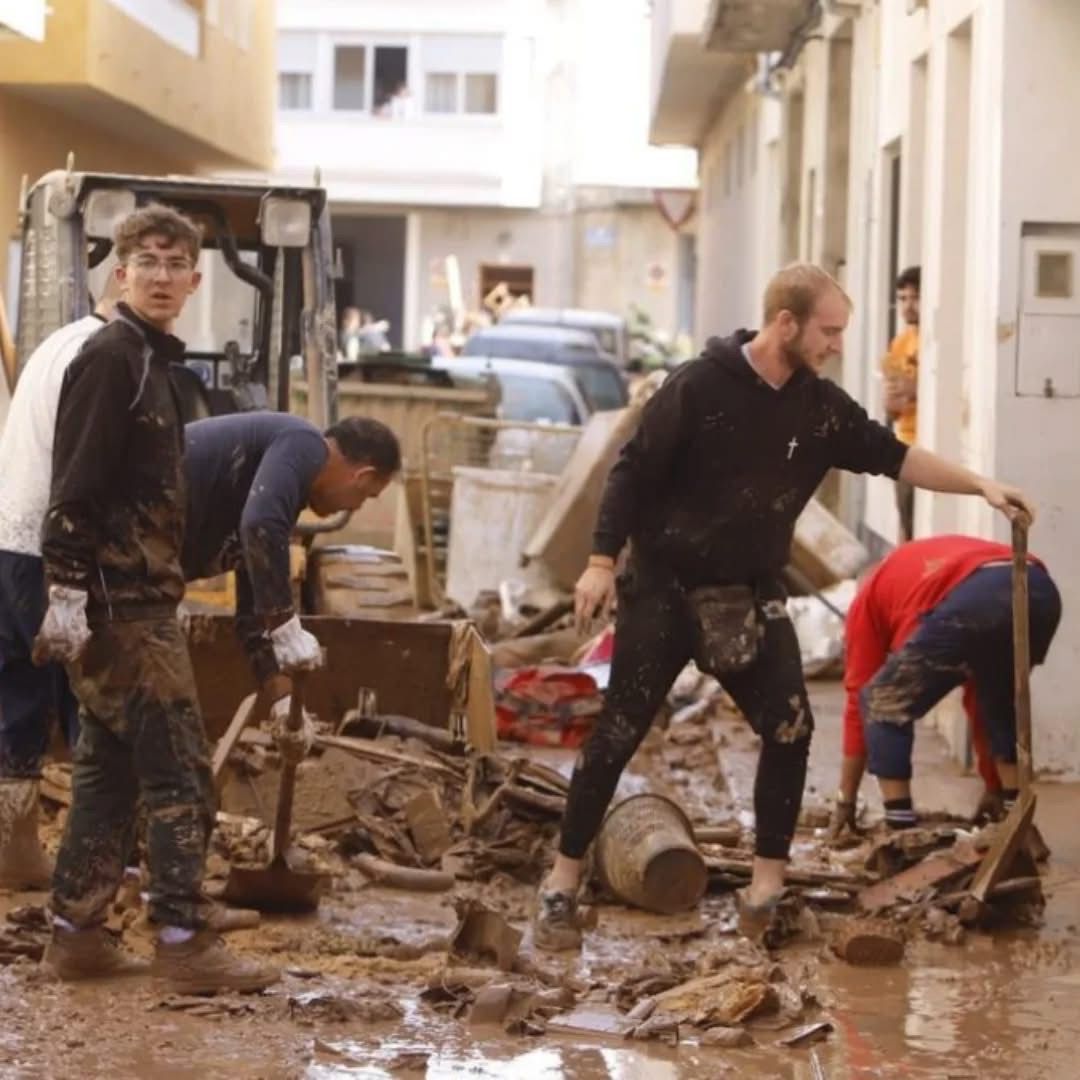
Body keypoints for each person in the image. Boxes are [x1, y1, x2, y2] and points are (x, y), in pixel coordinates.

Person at [532, 263, 1034, 950]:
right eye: (829, 331)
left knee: (790, 726)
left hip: (751, 592)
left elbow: (895, 456)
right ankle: (561, 882)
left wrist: (980, 484)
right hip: (664, 589)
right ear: (786, 323)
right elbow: (631, 470)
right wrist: (598, 561)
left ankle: (765, 889)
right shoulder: (697, 386)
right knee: (618, 731)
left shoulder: (820, 409)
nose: (836, 345)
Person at [35, 203, 277, 992]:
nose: (164, 277)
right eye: (150, 263)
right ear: (121, 273)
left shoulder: (157, 363)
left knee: (107, 775)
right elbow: (73, 482)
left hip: (134, 599)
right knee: (180, 774)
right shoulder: (113, 358)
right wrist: (67, 592)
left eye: (178, 266)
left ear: (197, 279)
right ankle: (182, 939)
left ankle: (77, 935)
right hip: (122, 606)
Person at [0, 281, 121, 889]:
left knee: (19, 695)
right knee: (94, 704)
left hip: (9, 539)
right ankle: (95, 868)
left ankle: (12, 853)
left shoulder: (58, 343)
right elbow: (86, 468)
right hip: (54, 547)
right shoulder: (104, 354)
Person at [181, 412, 401, 731]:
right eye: (366, 496)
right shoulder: (305, 442)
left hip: (137, 568)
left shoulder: (267, 502)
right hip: (120, 543)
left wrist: (283, 703)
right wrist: (285, 625)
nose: (355, 508)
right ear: (362, 475)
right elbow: (260, 525)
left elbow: (253, 622)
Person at [829, 535, 1060, 835]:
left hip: (976, 596)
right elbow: (981, 703)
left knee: (883, 701)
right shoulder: (917, 573)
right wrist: (992, 786)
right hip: (1039, 590)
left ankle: (900, 831)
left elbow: (858, 700)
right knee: (998, 699)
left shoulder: (867, 604)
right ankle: (1015, 820)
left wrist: (845, 801)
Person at [882, 267, 921, 540]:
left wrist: (916, 388)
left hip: (928, 444)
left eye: (915, 297)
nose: (908, 305)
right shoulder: (899, 343)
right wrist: (889, 403)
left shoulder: (935, 341)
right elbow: (893, 408)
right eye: (903, 298)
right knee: (907, 523)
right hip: (905, 441)